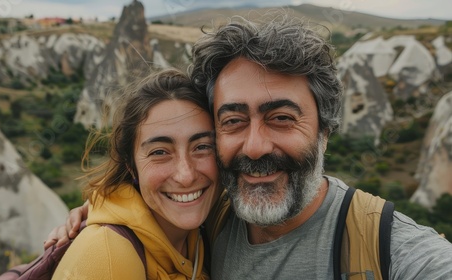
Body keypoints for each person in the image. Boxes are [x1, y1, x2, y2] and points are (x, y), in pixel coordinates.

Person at [46, 15, 452, 279]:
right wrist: (99, 212)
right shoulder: (210, 215)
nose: (255, 147)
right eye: (234, 121)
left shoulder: (390, 250)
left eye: (281, 118)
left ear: (326, 130)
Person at [51, 69, 219, 279]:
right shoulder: (108, 256)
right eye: (159, 152)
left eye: (202, 147)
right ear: (131, 165)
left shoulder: (207, 232)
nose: (186, 176)